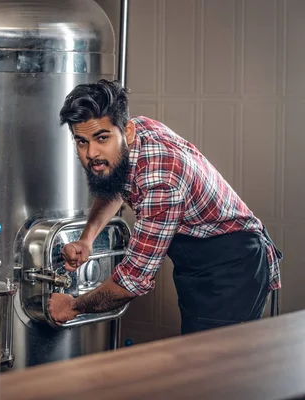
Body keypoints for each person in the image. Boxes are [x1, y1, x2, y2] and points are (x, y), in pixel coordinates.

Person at [48, 79, 283, 335]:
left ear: (126, 132)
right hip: (196, 262)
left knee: (214, 365)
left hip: (233, 267)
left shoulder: (162, 183)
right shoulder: (136, 132)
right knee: (197, 354)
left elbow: (131, 282)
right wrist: (87, 239)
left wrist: (73, 306)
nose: (92, 153)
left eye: (101, 138)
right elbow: (114, 181)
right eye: (81, 141)